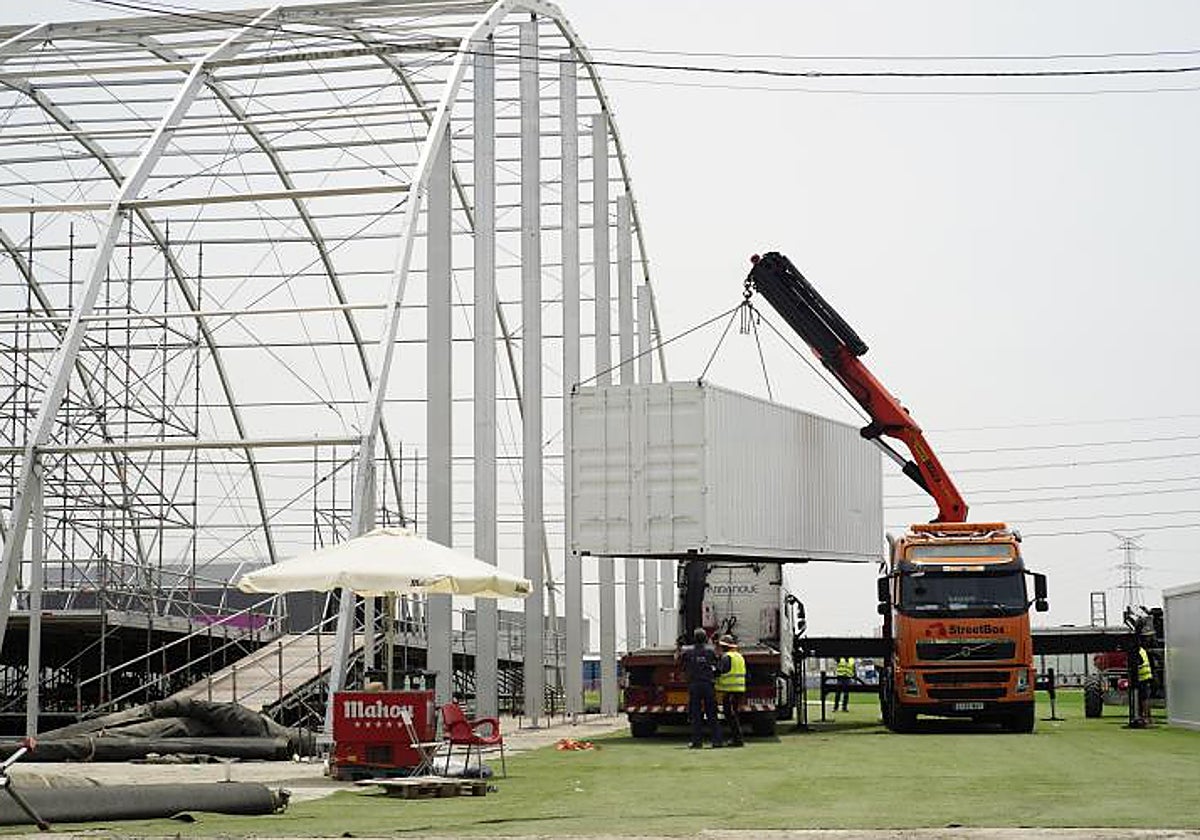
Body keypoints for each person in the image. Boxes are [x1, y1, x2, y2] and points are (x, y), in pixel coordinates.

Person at [677, 627, 723, 748]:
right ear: (705, 638)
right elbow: (717, 664)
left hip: (694, 685)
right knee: (712, 714)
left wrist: (679, 646)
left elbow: (679, 661)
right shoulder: (710, 651)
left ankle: (697, 742)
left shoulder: (688, 651)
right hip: (708, 685)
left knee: (696, 714)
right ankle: (717, 741)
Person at [715, 634, 746, 747]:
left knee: (730, 715)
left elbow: (720, 671)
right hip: (738, 689)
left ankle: (737, 739)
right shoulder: (739, 656)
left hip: (729, 690)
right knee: (733, 715)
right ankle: (736, 738)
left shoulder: (726, 657)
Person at [1136, 644, 1153, 725]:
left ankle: (1145, 717)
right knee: (1144, 698)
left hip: (1142, 677)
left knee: (1143, 699)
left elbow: (1139, 662)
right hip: (1144, 676)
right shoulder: (1142, 650)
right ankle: (1146, 717)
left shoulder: (1137, 651)